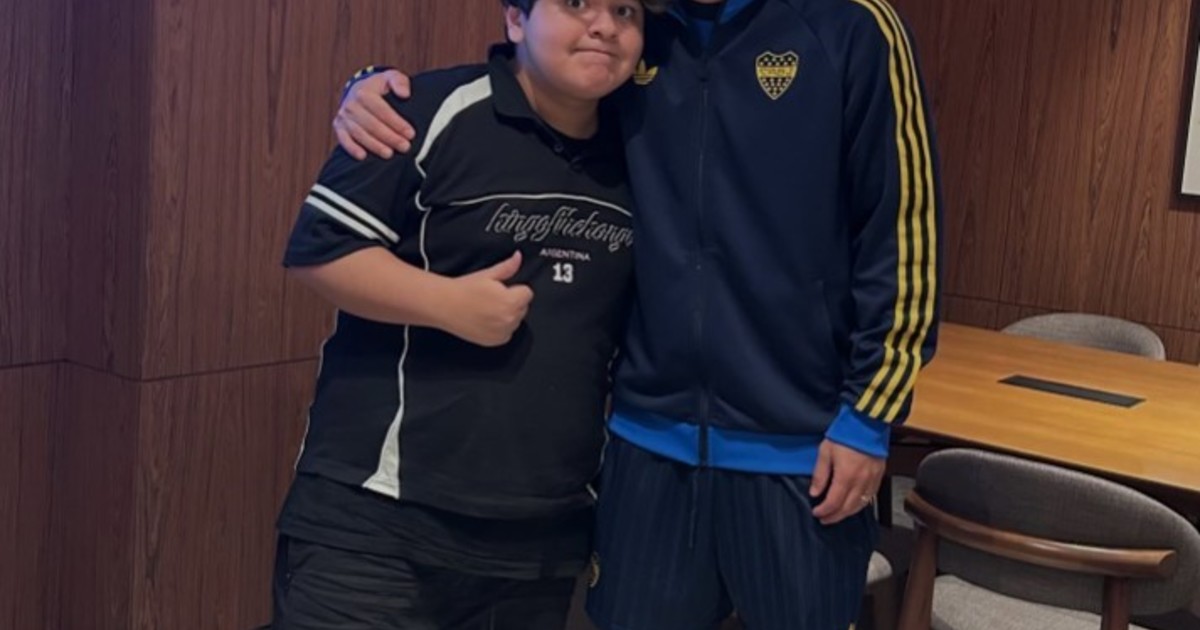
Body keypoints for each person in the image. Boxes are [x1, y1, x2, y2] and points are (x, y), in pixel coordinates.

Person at [332, 0, 943, 628]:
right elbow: (536, 81)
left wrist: (868, 416)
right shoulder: (639, 30)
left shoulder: (850, 24)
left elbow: (903, 230)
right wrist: (374, 88)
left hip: (800, 449)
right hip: (645, 443)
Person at [270, 1, 659, 628]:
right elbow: (320, 251)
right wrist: (448, 304)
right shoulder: (426, 109)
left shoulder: (642, 148)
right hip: (378, 526)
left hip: (541, 539)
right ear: (516, 21)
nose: (605, 26)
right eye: (575, 3)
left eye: (625, 10)